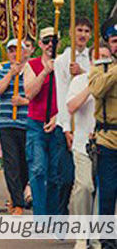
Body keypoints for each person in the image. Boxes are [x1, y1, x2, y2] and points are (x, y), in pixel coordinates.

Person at [68, 45, 109, 249]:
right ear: (92, 61)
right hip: (83, 143)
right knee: (85, 186)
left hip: (108, 144)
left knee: (104, 191)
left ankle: (96, 236)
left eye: (106, 57)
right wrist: (91, 86)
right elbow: (71, 106)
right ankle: (81, 235)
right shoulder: (79, 81)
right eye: (99, 57)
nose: (103, 61)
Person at [23, 26, 64, 215]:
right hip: (36, 124)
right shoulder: (32, 64)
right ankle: (40, 215)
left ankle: (54, 215)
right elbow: (29, 93)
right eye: (46, 41)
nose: (50, 45)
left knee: (55, 174)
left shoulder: (64, 64)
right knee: (38, 169)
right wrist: (45, 72)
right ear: (40, 44)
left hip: (58, 123)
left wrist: (58, 116)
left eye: (54, 42)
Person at [55, 17, 92, 215]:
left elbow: (97, 83)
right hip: (67, 123)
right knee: (66, 177)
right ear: (71, 32)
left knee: (86, 181)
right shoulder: (62, 60)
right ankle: (61, 213)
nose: (83, 34)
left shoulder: (93, 59)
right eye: (79, 30)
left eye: (87, 31)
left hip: (87, 125)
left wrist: (83, 72)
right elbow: (62, 94)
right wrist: (66, 127)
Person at [0, 39, 31, 215]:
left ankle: (17, 196)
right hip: (6, 123)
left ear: (25, 52)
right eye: (11, 51)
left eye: (18, 50)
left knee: (25, 165)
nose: (15, 54)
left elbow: (38, 97)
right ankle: (18, 203)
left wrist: (24, 101)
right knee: (11, 163)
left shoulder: (31, 71)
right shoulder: (2, 71)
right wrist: (10, 74)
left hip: (27, 123)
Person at [89, 16, 117, 249]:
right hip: (108, 139)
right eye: (114, 41)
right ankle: (107, 239)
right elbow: (96, 90)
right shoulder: (101, 68)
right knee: (108, 192)